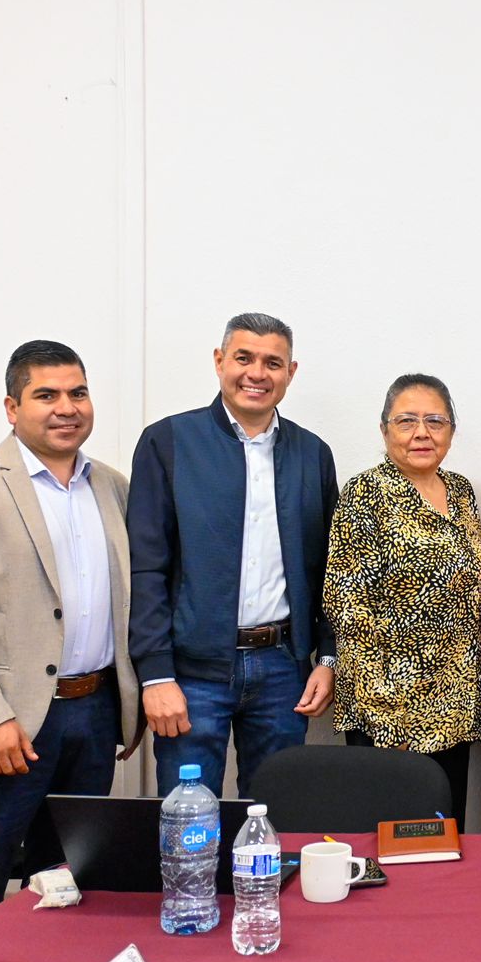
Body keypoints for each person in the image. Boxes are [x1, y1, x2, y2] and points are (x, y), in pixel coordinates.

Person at [0, 341, 140, 914]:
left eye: (78, 393)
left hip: (92, 717)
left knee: (69, 889)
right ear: (12, 408)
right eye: (47, 395)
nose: (66, 407)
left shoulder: (111, 486)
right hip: (5, 726)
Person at [128, 312, 338, 798]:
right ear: (220, 361)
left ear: (291, 372)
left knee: (275, 821)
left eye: (273, 362)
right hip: (191, 674)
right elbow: (145, 568)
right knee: (189, 827)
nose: (257, 374)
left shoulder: (312, 454)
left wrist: (326, 657)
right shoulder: (169, 442)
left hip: (283, 670)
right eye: (243, 358)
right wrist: (154, 673)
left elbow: (328, 569)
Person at [323, 374, 481, 830]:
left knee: (444, 833)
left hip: (455, 700)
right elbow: (347, 604)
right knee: (391, 838)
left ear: (452, 430)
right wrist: (387, 721)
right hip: (389, 709)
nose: (421, 433)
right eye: (407, 421)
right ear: (384, 430)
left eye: (435, 421)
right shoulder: (365, 494)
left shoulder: (462, 491)